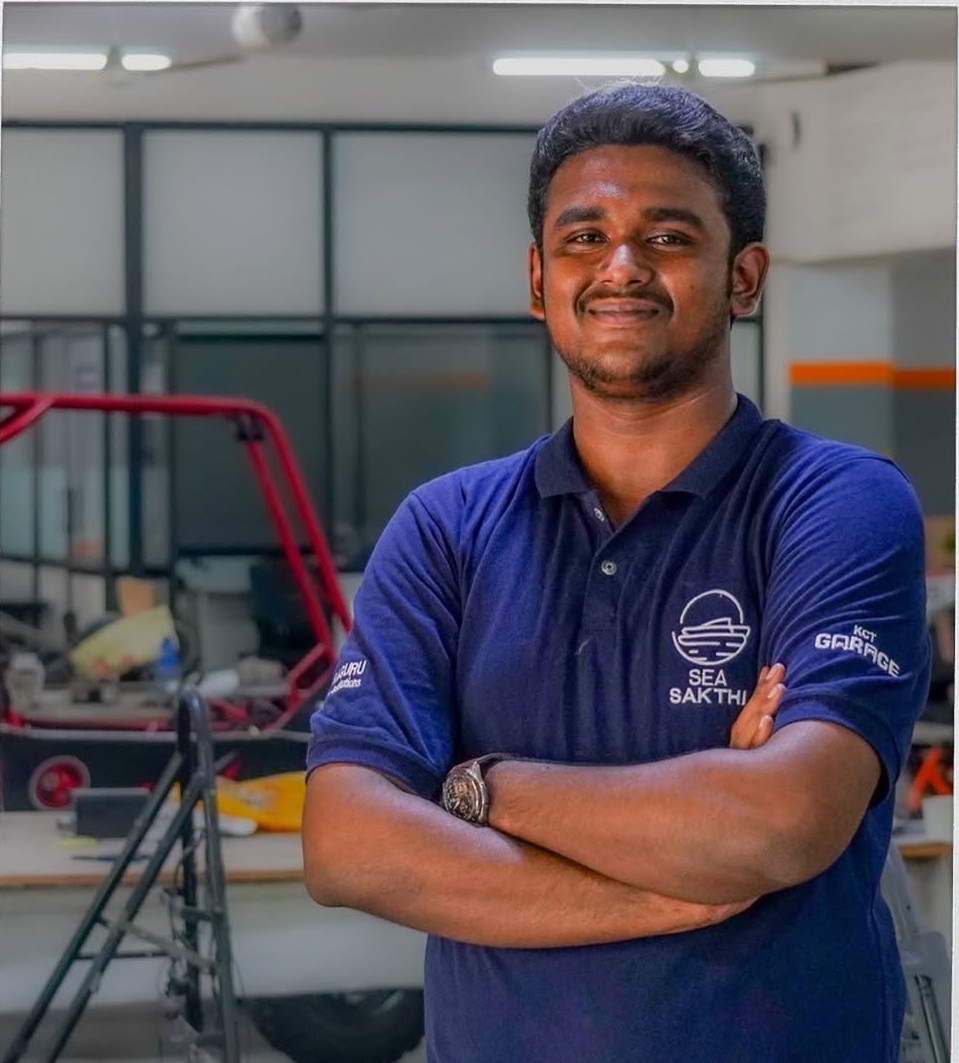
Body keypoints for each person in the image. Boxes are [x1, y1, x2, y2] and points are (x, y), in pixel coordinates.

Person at [302, 83, 930, 1063]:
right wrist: (675, 885)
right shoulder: (447, 526)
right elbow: (348, 844)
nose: (621, 266)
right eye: (583, 237)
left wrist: (478, 784)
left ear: (743, 277)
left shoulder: (834, 502)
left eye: (667, 237)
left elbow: (781, 821)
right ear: (537, 278)